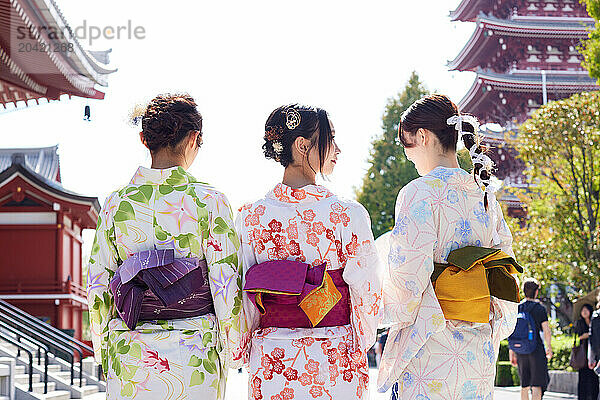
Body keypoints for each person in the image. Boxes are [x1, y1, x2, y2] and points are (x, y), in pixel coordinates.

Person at [86, 94, 247, 399]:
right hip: (195, 350)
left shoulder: (116, 204)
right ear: (193, 139)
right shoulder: (209, 201)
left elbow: (98, 285)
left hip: (130, 352)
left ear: (144, 139)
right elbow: (225, 284)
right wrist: (234, 349)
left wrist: (103, 350)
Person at [377, 94, 521, 399]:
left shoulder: (418, 193)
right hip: (478, 349)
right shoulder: (484, 193)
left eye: (407, 145)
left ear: (423, 136)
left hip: (431, 345)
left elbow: (407, 278)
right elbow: (504, 265)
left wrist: (374, 310)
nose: (408, 155)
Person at [237, 104, 382, 399]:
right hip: (334, 356)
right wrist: (360, 341)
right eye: (330, 139)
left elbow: (244, 300)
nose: (337, 149)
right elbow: (368, 291)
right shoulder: (347, 214)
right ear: (302, 145)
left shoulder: (251, 217)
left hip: (272, 358)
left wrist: (243, 348)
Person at [509, 278, 552, 400]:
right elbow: (546, 330)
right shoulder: (540, 308)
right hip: (536, 349)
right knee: (536, 385)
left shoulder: (518, 307)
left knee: (524, 385)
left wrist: (512, 351)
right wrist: (549, 347)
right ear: (536, 292)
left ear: (523, 291)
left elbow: (512, 331)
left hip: (520, 350)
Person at [575, 304, 598, 400]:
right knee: (583, 378)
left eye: (586, 310)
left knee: (594, 377)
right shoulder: (580, 322)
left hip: (593, 352)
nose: (584, 312)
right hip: (583, 353)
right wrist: (590, 334)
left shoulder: (595, 320)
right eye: (582, 310)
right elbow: (579, 336)